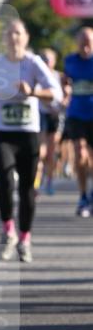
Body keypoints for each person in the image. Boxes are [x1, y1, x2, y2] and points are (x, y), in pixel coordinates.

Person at [0, 19, 61, 263]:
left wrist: (33, 92)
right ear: (5, 38)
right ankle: (8, 231)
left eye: (18, 33)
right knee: (4, 180)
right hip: (2, 131)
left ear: (26, 38)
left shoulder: (33, 63)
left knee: (27, 189)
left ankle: (25, 237)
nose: (14, 38)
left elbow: (55, 93)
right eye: (10, 33)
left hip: (28, 133)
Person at [62, 27, 93, 217]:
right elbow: (65, 80)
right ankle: (82, 195)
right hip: (76, 114)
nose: (85, 46)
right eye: (82, 42)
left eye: (89, 42)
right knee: (80, 155)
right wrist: (65, 88)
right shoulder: (70, 61)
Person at [37, 48, 65, 196]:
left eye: (48, 59)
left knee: (51, 151)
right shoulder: (38, 76)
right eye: (43, 58)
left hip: (56, 116)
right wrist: (48, 105)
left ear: (54, 61)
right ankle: (37, 182)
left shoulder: (59, 76)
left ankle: (49, 180)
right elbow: (37, 94)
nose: (46, 62)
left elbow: (67, 94)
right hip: (41, 114)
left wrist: (62, 105)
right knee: (41, 151)